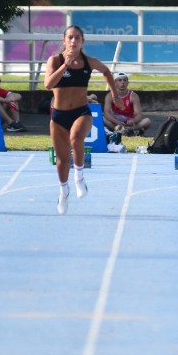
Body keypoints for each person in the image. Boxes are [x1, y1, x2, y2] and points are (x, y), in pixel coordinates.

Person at [44, 25, 121, 215]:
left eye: (77, 38)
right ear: (64, 41)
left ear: (82, 41)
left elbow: (106, 71)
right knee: (62, 160)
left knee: (77, 138)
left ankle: (79, 177)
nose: (73, 41)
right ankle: (63, 191)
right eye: (70, 37)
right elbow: (48, 84)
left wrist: (114, 94)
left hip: (81, 112)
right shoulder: (55, 60)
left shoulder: (89, 62)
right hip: (59, 116)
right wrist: (65, 65)